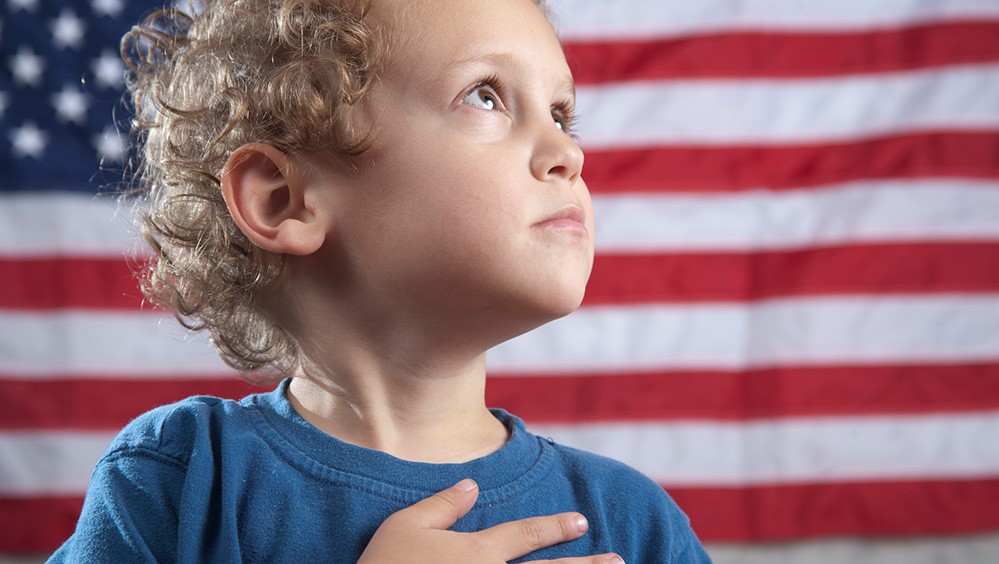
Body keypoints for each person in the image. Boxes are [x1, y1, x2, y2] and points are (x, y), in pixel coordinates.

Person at [50, 0, 711, 562]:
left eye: (562, 115)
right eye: (485, 95)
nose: (570, 153)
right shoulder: (183, 480)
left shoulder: (633, 525)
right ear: (283, 199)